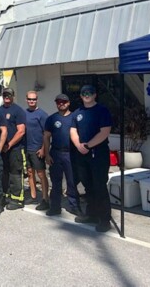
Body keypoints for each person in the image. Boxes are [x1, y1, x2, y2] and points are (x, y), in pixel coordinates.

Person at [70, 85, 112, 232]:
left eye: (89, 93)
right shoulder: (77, 112)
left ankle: (105, 219)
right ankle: (92, 214)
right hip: (82, 154)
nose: (86, 95)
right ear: (81, 96)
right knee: (88, 186)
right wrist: (79, 145)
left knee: (99, 186)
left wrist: (88, 145)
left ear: (94, 95)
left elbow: (105, 131)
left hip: (98, 153)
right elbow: (73, 130)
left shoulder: (102, 110)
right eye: (83, 93)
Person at [43, 93, 80, 216]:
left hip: (71, 154)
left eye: (64, 102)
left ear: (68, 103)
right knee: (56, 182)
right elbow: (46, 137)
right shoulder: (52, 119)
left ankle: (74, 206)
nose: (61, 104)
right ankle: (55, 207)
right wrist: (47, 154)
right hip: (56, 153)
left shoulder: (75, 117)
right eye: (59, 102)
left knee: (72, 182)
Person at [0, 88, 27, 210]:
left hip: (15, 148)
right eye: (5, 95)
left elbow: (21, 131)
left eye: (9, 95)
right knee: (3, 173)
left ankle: (17, 199)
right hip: (1, 149)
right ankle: (5, 196)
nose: (7, 97)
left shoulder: (18, 111)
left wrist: (9, 144)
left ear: (13, 96)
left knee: (15, 173)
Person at [24, 91, 50, 211]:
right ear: (26, 100)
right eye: (29, 99)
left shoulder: (42, 114)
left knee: (41, 174)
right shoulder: (24, 113)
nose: (31, 101)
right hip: (27, 148)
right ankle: (33, 196)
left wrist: (43, 149)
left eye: (33, 99)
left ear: (37, 100)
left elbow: (47, 134)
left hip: (37, 149)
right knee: (30, 172)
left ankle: (45, 199)